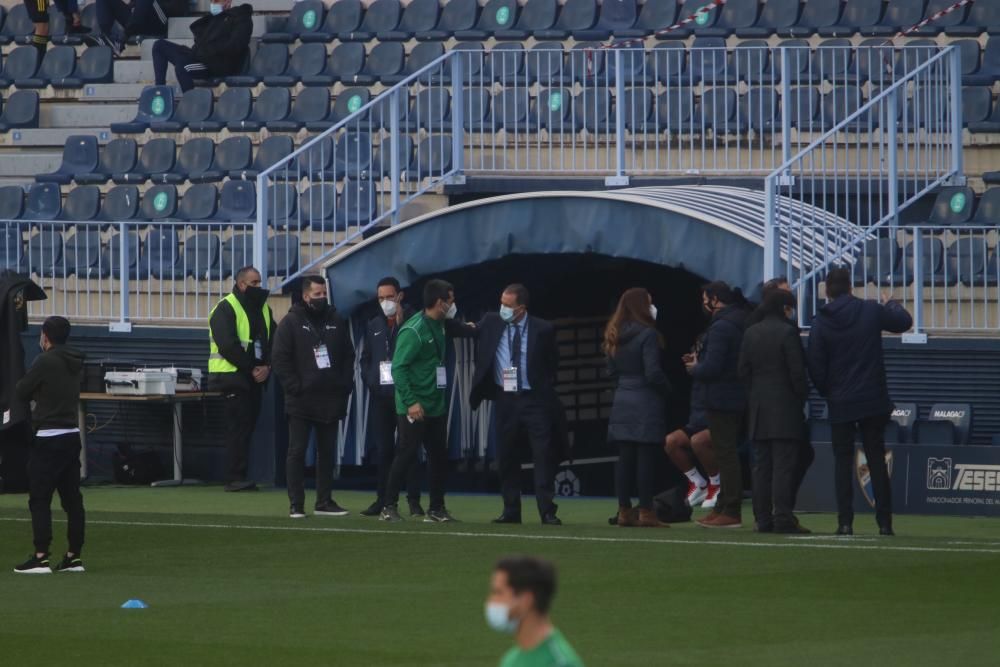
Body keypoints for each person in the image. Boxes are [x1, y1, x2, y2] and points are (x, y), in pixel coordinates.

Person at [806, 267, 912, 536]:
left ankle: (845, 522)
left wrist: (829, 393)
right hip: (872, 398)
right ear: (851, 287)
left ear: (828, 291)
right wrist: (892, 304)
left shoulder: (821, 321)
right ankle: (885, 523)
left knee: (842, 461)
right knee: (876, 458)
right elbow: (904, 323)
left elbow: (815, 366)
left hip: (840, 400)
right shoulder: (870, 310)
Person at [468, 284, 562, 526]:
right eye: (502, 303)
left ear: (521, 308)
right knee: (507, 456)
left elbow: (552, 363)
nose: (503, 309)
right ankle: (511, 510)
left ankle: (547, 510)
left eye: (508, 306)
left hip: (534, 400)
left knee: (542, 454)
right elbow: (469, 331)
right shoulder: (491, 321)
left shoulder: (543, 329)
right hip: (505, 399)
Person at [271, 276, 355, 519]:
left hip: (330, 398)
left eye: (323, 294)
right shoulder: (290, 322)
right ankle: (296, 505)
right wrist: (294, 387)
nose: (321, 299)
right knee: (296, 452)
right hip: (301, 400)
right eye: (316, 295)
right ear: (306, 296)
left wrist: (344, 385)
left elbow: (348, 356)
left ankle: (324, 501)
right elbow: (280, 358)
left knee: (327, 452)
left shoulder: (337, 320)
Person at [379, 279, 460, 523]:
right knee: (405, 454)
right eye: (450, 300)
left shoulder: (442, 324)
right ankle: (388, 506)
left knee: (438, 456)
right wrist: (411, 402)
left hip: (435, 403)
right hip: (413, 406)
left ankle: (436, 508)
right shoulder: (413, 330)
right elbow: (399, 369)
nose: (453, 304)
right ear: (439, 303)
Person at [13, 316, 86, 574]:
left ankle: (41, 555)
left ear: (45, 336)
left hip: (48, 435)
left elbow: (22, 390)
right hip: (71, 433)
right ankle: (74, 555)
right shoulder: (76, 360)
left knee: (40, 498)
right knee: (72, 499)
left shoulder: (45, 361)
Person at [739, 289, 811, 534]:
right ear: (785, 308)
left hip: (758, 409)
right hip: (785, 408)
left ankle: (762, 518)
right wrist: (800, 397)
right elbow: (797, 373)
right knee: (783, 466)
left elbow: (743, 371)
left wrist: (755, 397)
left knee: (761, 467)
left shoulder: (750, 333)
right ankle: (782, 516)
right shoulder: (788, 332)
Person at [603, 288, 671, 528]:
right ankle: (646, 511)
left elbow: (611, 372)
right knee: (645, 457)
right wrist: (667, 390)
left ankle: (623, 510)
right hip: (645, 398)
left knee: (625, 457)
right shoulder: (648, 334)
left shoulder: (614, 333)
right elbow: (653, 372)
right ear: (642, 306)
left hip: (622, 398)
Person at [359, 277, 424, 518]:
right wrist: (370, 379)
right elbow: (366, 357)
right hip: (381, 396)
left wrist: (400, 320)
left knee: (408, 449)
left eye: (389, 297)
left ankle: (414, 501)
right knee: (384, 449)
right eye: (380, 298)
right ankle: (382, 499)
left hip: (405, 395)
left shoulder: (414, 320)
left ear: (400, 296)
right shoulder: (374, 323)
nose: (385, 302)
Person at [208, 266, 275, 492]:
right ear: (241, 284)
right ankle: (234, 477)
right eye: (254, 283)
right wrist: (253, 369)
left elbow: (273, 340)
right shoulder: (225, 308)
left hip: (252, 378)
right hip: (232, 377)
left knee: (246, 427)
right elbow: (227, 345)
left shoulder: (263, 308)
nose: (259, 286)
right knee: (237, 428)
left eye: (259, 282)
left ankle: (240, 475)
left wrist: (267, 367)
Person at [687, 281, 748, 529]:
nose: (703, 303)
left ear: (714, 299)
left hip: (723, 399)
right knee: (726, 452)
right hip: (735, 397)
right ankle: (723, 505)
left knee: (726, 454)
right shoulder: (739, 320)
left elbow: (713, 367)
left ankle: (730, 509)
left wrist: (694, 368)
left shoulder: (722, 327)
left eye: (705, 297)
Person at [486, 556, 584, 667]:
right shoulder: (511, 660)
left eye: (498, 592)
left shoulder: (560, 663)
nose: (491, 601)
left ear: (526, 600)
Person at [664, 333, 720, 510]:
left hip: (720, 420)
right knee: (671, 442)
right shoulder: (698, 369)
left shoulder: (716, 366)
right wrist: (694, 366)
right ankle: (699, 484)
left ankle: (716, 483)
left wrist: (698, 368)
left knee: (698, 442)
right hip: (697, 420)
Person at [151, 1, 253, 92]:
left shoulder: (241, 17)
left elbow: (235, 46)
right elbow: (201, 43)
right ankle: (160, 91)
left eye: (216, 1)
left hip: (214, 64)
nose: (213, 3)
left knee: (183, 67)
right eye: (212, 1)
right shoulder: (213, 18)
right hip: (199, 55)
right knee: (159, 45)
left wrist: (206, 51)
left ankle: (191, 104)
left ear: (228, 1)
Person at [92, 0, 188, 55]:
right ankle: (108, 38)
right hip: (138, 19)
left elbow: (177, 8)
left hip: (160, 21)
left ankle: (121, 40)